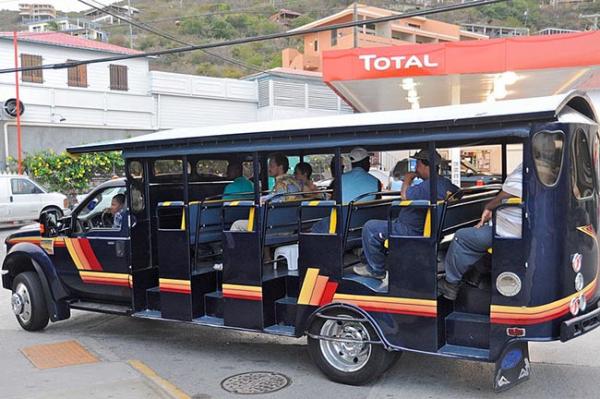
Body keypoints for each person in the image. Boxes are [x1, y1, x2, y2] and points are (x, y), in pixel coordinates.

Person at [355, 149, 459, 280]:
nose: (415, 167)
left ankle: (376, 269)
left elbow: (405, 196)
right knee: (386, 221)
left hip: (411, 230)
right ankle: (369, 258)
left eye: (417, 163)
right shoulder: (444, 183)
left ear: (424, 164)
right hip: (426, 227)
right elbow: (458, 193)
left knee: (370, 227)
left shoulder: (429, 185)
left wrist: (407, 179)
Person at [438, 163, 522, 300]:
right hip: (519, 229)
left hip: (506, 231)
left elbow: (506, 193)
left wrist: (489, 206)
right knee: (478, 237)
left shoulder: (526, 167)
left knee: (462, 237)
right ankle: (475, 273)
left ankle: (450, 284)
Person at [311, 147, 380, 233]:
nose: (369, 164)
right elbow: (377, 207)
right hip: (364, 226)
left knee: (315, 227)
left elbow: (333, 203)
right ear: (365, 162)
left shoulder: (339, 180)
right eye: (368, 161)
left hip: (341, 225)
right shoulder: (376, 182)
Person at [230, 153, 301, 231]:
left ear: (280, 167)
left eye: (271, 165)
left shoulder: (281, 185)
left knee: (237, 225)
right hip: (290, 223)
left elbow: (274, 204)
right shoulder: (293, 182)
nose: (268, 168)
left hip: (275, 225)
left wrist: (262, 200)